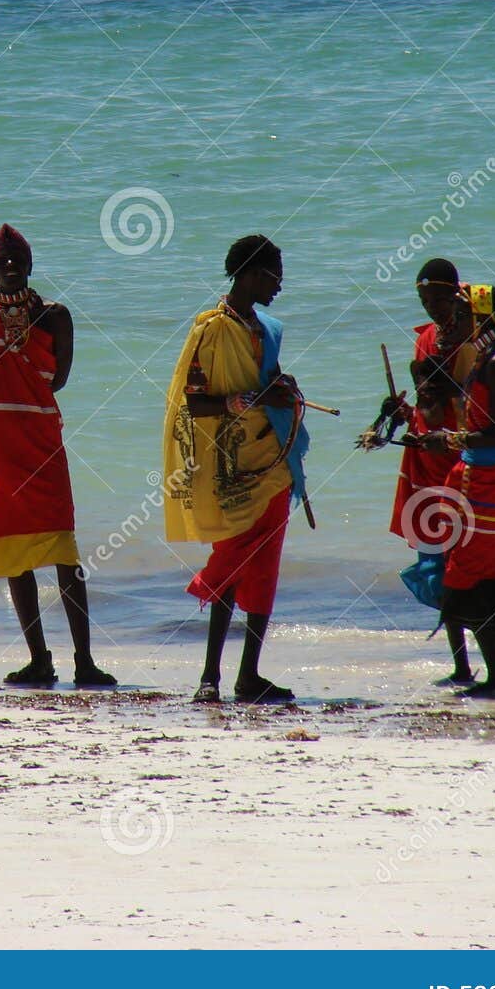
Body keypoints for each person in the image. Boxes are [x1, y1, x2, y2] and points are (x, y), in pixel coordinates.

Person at [0, 224, 116, 688]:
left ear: (29, 265)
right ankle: (39, 660)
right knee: (13, 553)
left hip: (41, 442)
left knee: (64, 548)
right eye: (1, 260)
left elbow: (58, 380)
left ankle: (84, 661)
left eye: (16, 259)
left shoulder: (55, 316)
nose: (9, 265)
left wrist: (15, 388)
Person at [163, 235, 310, 703]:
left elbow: (270, 380)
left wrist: (283, 388)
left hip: (272, 465)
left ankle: (249, 675)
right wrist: (253, 400)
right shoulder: (210, 330)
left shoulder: (262, 327)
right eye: (274, 275)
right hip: (230, 471)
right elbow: (195, 403)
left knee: (264, 570)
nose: (280, 286)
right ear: (249, 273)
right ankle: (210, 677)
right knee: (228, 567)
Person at [404, 283, 495, 698]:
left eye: (462, 314)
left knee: (468, 574)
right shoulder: (494, 357)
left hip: (486, 482)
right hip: (493, 477)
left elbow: (493, 433)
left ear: (481, 318)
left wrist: (445, 440)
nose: (452, 321)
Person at [387, 257, 477, 685]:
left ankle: (492, 655)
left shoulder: (472, 343)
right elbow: (424, 406)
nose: (432, 307)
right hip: (423, 461)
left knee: (468, 563)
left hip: (459, 463)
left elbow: (476, 413)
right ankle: (460, 663)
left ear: (456, 293)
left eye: (439, 298)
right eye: (425, 299)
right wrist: (398, 413)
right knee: (440, 564)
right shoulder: (424, 339)